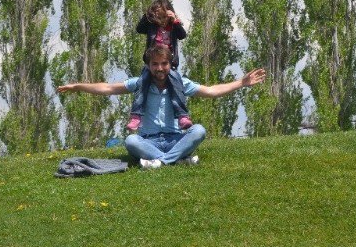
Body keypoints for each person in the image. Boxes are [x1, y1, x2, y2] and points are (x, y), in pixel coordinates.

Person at [57, 45, 265, 168]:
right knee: (131, 140)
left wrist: (241, 83)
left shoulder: (181, 83)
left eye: (164, 64)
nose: (159, 68)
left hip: (176, 138)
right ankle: (176, 160)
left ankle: (161, 162)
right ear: (149, 66)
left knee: (199, 131)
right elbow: (108, 88)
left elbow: (211, 91)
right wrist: (78, 86)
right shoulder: (140, 83)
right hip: (150, 142)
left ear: (170, 65)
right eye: (155, 64)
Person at [128, 0, 191, 132]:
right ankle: (136, 116)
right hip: (152, 63)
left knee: (176, 83)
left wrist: (176, 21)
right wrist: (148, 15)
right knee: (142, 82)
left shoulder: (173, 26)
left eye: (163, 12)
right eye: (157, 12)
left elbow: (182, 35)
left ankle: (182, 116)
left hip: (169, 64)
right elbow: (139, 29)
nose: (160, 16)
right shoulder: (151, 25)